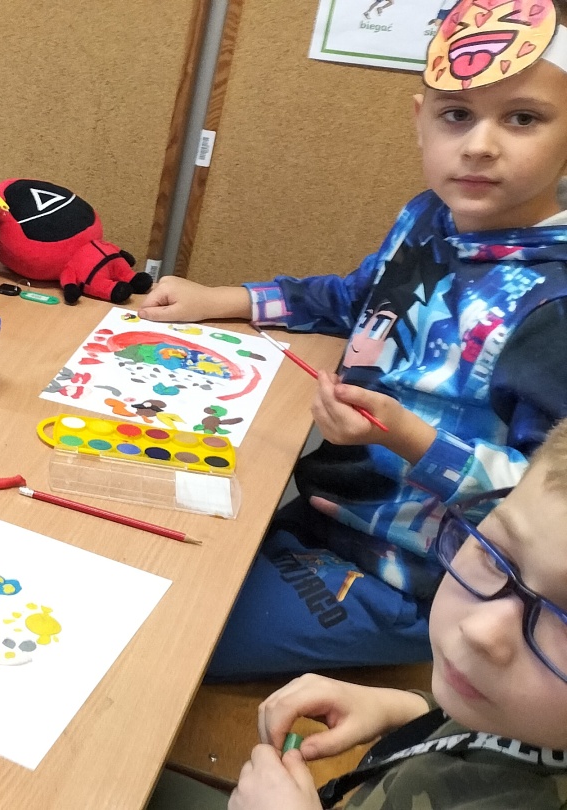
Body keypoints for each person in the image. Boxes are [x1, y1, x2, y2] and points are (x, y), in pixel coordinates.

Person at [138, 0, 567, 680]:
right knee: (134, 546)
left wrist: (410, 439)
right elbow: (357, 300)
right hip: (319, 512)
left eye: (522, 118)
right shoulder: (430, 216)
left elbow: (548, 509)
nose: (480, 145)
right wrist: (226, 298)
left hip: (410, 581)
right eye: (457, 114)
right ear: (420, 120)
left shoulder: (554, 307)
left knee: (156, 640)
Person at [186, 418, 567, 809]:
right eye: (495, 555)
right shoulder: (519, 714)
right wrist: (400, 710)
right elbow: (500, 735)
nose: (481, 632)